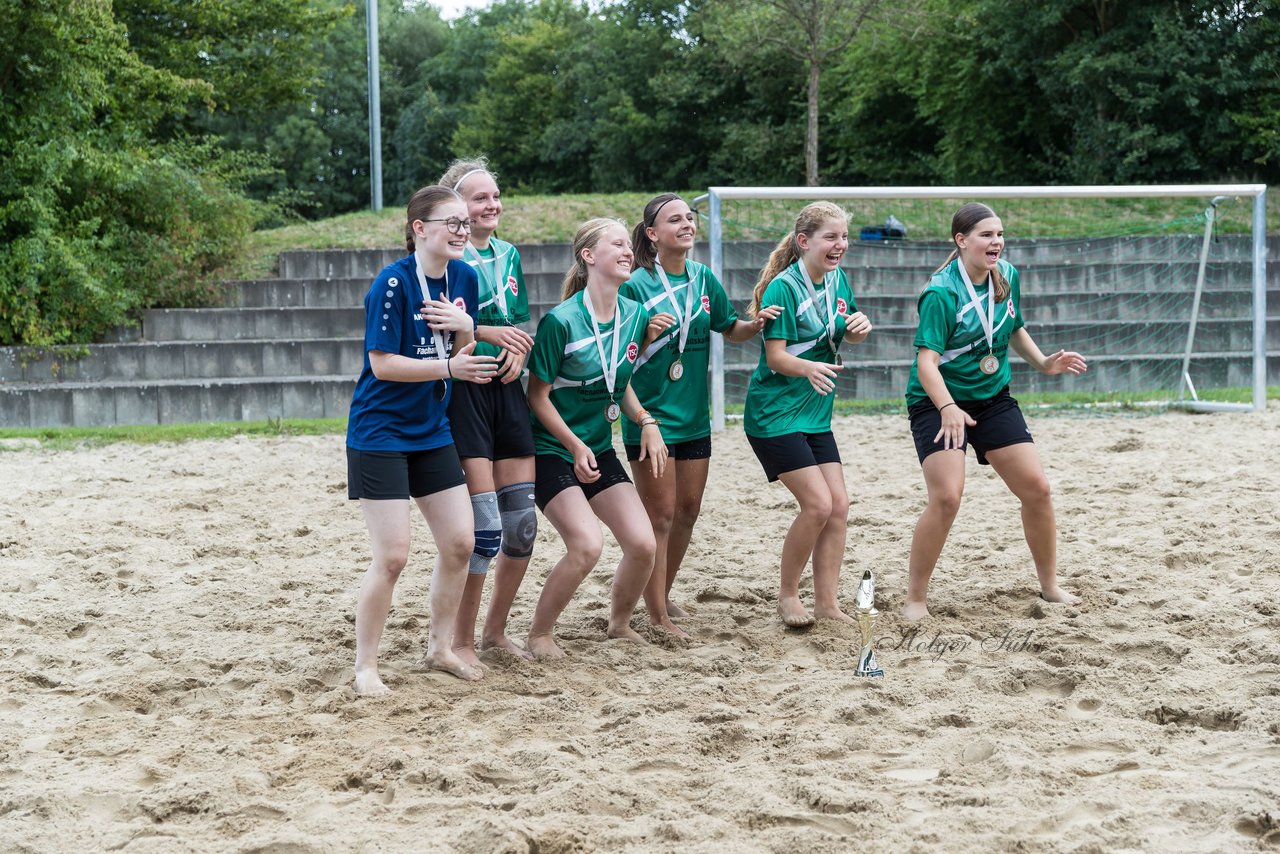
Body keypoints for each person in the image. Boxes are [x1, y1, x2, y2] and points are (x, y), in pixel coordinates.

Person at [346, 185, 498, 694]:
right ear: (419, 229)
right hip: (380, 431)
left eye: (464, 223)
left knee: (461, 541)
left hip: (431, 428)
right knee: (393, 555)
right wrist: (451, 364)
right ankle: (366, 666)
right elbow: (382, 364)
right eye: (452, 223)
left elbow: (465, 353)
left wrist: (466, 326)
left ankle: (439, 648)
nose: (463, 231)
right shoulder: (392, 284)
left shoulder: (465, 277)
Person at [902, 202, 1086, 621]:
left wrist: (1042, 362)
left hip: (992, 398)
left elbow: (1012, 325)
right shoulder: (941, 292)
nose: (997, 242)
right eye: (986, 235)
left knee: (1037, 489)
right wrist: (947, 406)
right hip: (938, 401)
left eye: (1000, 234)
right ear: (961, 241)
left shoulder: (1007, 277)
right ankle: (915, 599)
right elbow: (926, 363)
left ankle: (1050, 586)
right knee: (947, 497)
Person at [620, 193, 779, 637]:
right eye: (676, 220)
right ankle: (655, 615)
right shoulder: (635, 284)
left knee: (688, 511)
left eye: (690, 218)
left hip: (693, 416)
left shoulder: (703, 278)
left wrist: (758, 322)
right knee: (661, 517)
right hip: (649, 418)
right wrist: (648, 334)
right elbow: (619, 361)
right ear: (653, 234)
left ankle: (661, 593)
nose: (688, 224)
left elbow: (732, 330)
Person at [524, 218, 668, 659]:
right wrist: (573, 444)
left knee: (643, 544)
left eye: (630, 244)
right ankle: (539, 633)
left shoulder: (635, 314)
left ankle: (619, 624)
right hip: (552, 449)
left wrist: (645, 420)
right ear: (588, 257)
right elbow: (537, 397)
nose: (629, 250)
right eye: (617, 244)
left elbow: (617, 380)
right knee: (587, 545)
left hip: (597, 447)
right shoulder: (561, 322)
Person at [743, 202, 873, 628]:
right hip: (774, 414)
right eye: (831, 237)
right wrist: (810, 367)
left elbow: (842, 337)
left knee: (839, 507)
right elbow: (777, 357)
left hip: (814, 413)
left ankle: (827, 603)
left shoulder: (838, 280)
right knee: (817, 505)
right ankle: (787, 596)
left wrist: (857, 331)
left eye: (844, 237)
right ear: (804, 242)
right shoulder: (783, 287)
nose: (840, 245)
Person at [437, 158, 538, 669]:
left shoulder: (509, 254)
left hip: (507, 390)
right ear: (458, 208)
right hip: (468, 389)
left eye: (495, 196)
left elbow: (519, 321)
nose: (491, 205)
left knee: (522, 527)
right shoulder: (446, 260)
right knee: (486, 529)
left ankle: (496, 633)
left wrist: (518, 349)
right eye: (480, 198)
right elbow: (443, 327)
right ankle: (461, 641)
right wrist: (487, 333)